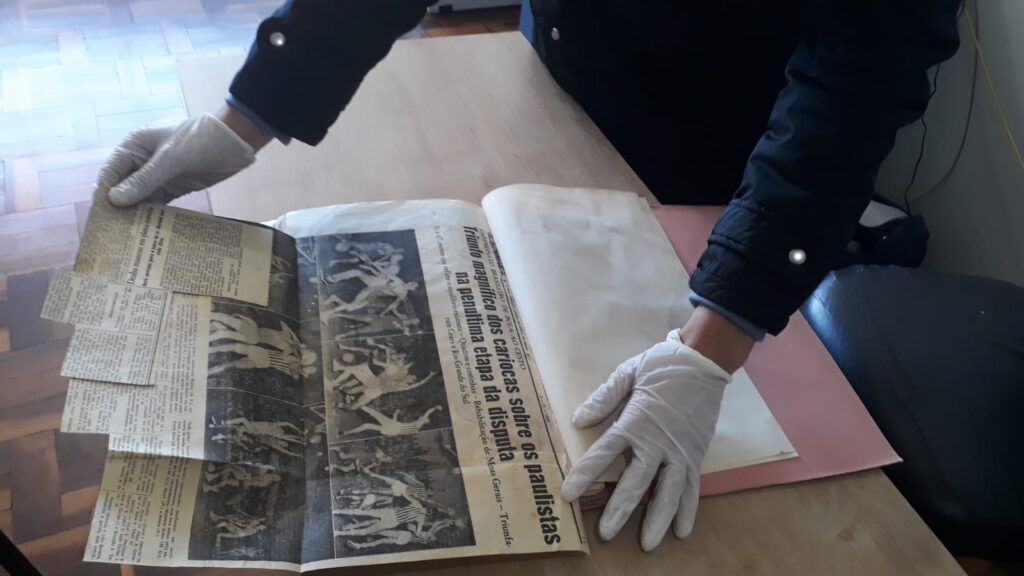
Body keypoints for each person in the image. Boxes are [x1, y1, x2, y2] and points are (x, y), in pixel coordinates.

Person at [93, 0, 962, 552]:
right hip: (561, 70)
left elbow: (855, 87)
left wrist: (717, 338)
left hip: (717, 152)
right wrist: (253, 109)